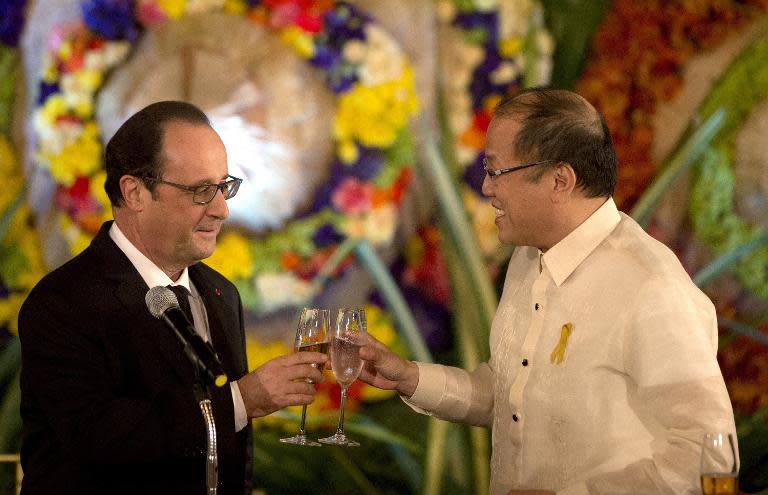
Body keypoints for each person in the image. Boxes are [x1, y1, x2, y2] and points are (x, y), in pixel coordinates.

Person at [359, 88, 737, 495]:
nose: (486, 187)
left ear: (560, 180)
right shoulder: (527, 259)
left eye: (496, 171)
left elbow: (709, 458)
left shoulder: (652, 288)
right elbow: (509, 395)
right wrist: (410, 378)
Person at [18, 101, 327, 494]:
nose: (222, 209)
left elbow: (233, 457)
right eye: (201, 191)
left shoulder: (220, 295)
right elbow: (95, 438)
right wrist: (238, 401)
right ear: (134, 192)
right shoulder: (63, 303)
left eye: (224, 186)